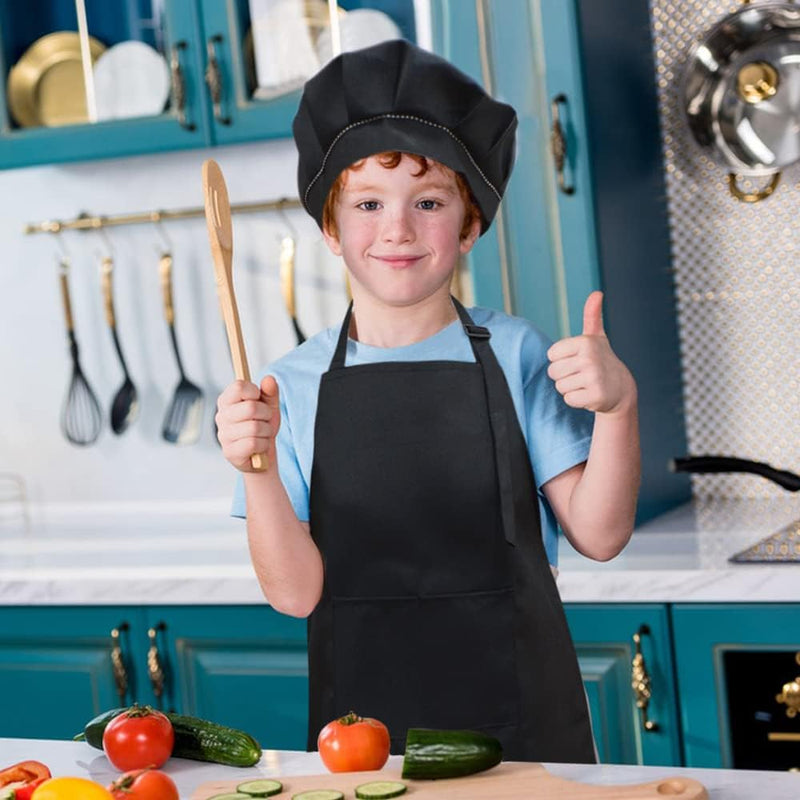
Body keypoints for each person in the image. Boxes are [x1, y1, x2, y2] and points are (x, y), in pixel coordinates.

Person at [217, 39, 640, 763]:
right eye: (369, 203)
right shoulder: (288, 385)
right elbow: (294, 594)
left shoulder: (516, 353)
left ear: (471, 225)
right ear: (330, 228)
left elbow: (599, 535)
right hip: (363, 742)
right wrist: (255, 469)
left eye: (431, 202)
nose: (397, 229)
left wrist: (618, 408)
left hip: (525, 731)